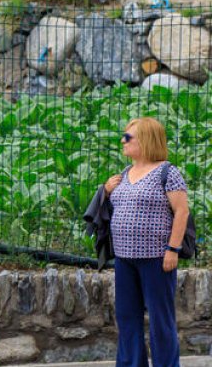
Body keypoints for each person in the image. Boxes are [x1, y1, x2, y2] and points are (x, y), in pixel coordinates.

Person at [103, 117, 189, 367]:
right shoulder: (124, 173)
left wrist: (173, 249)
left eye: (128, 137)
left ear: (146, 140)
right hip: (124, 259)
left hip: (156, 259)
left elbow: (182, 212)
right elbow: (112, 208)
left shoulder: (167, 172)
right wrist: (106, 191)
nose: (123, 141)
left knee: (160, 319)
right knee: (127, 317)